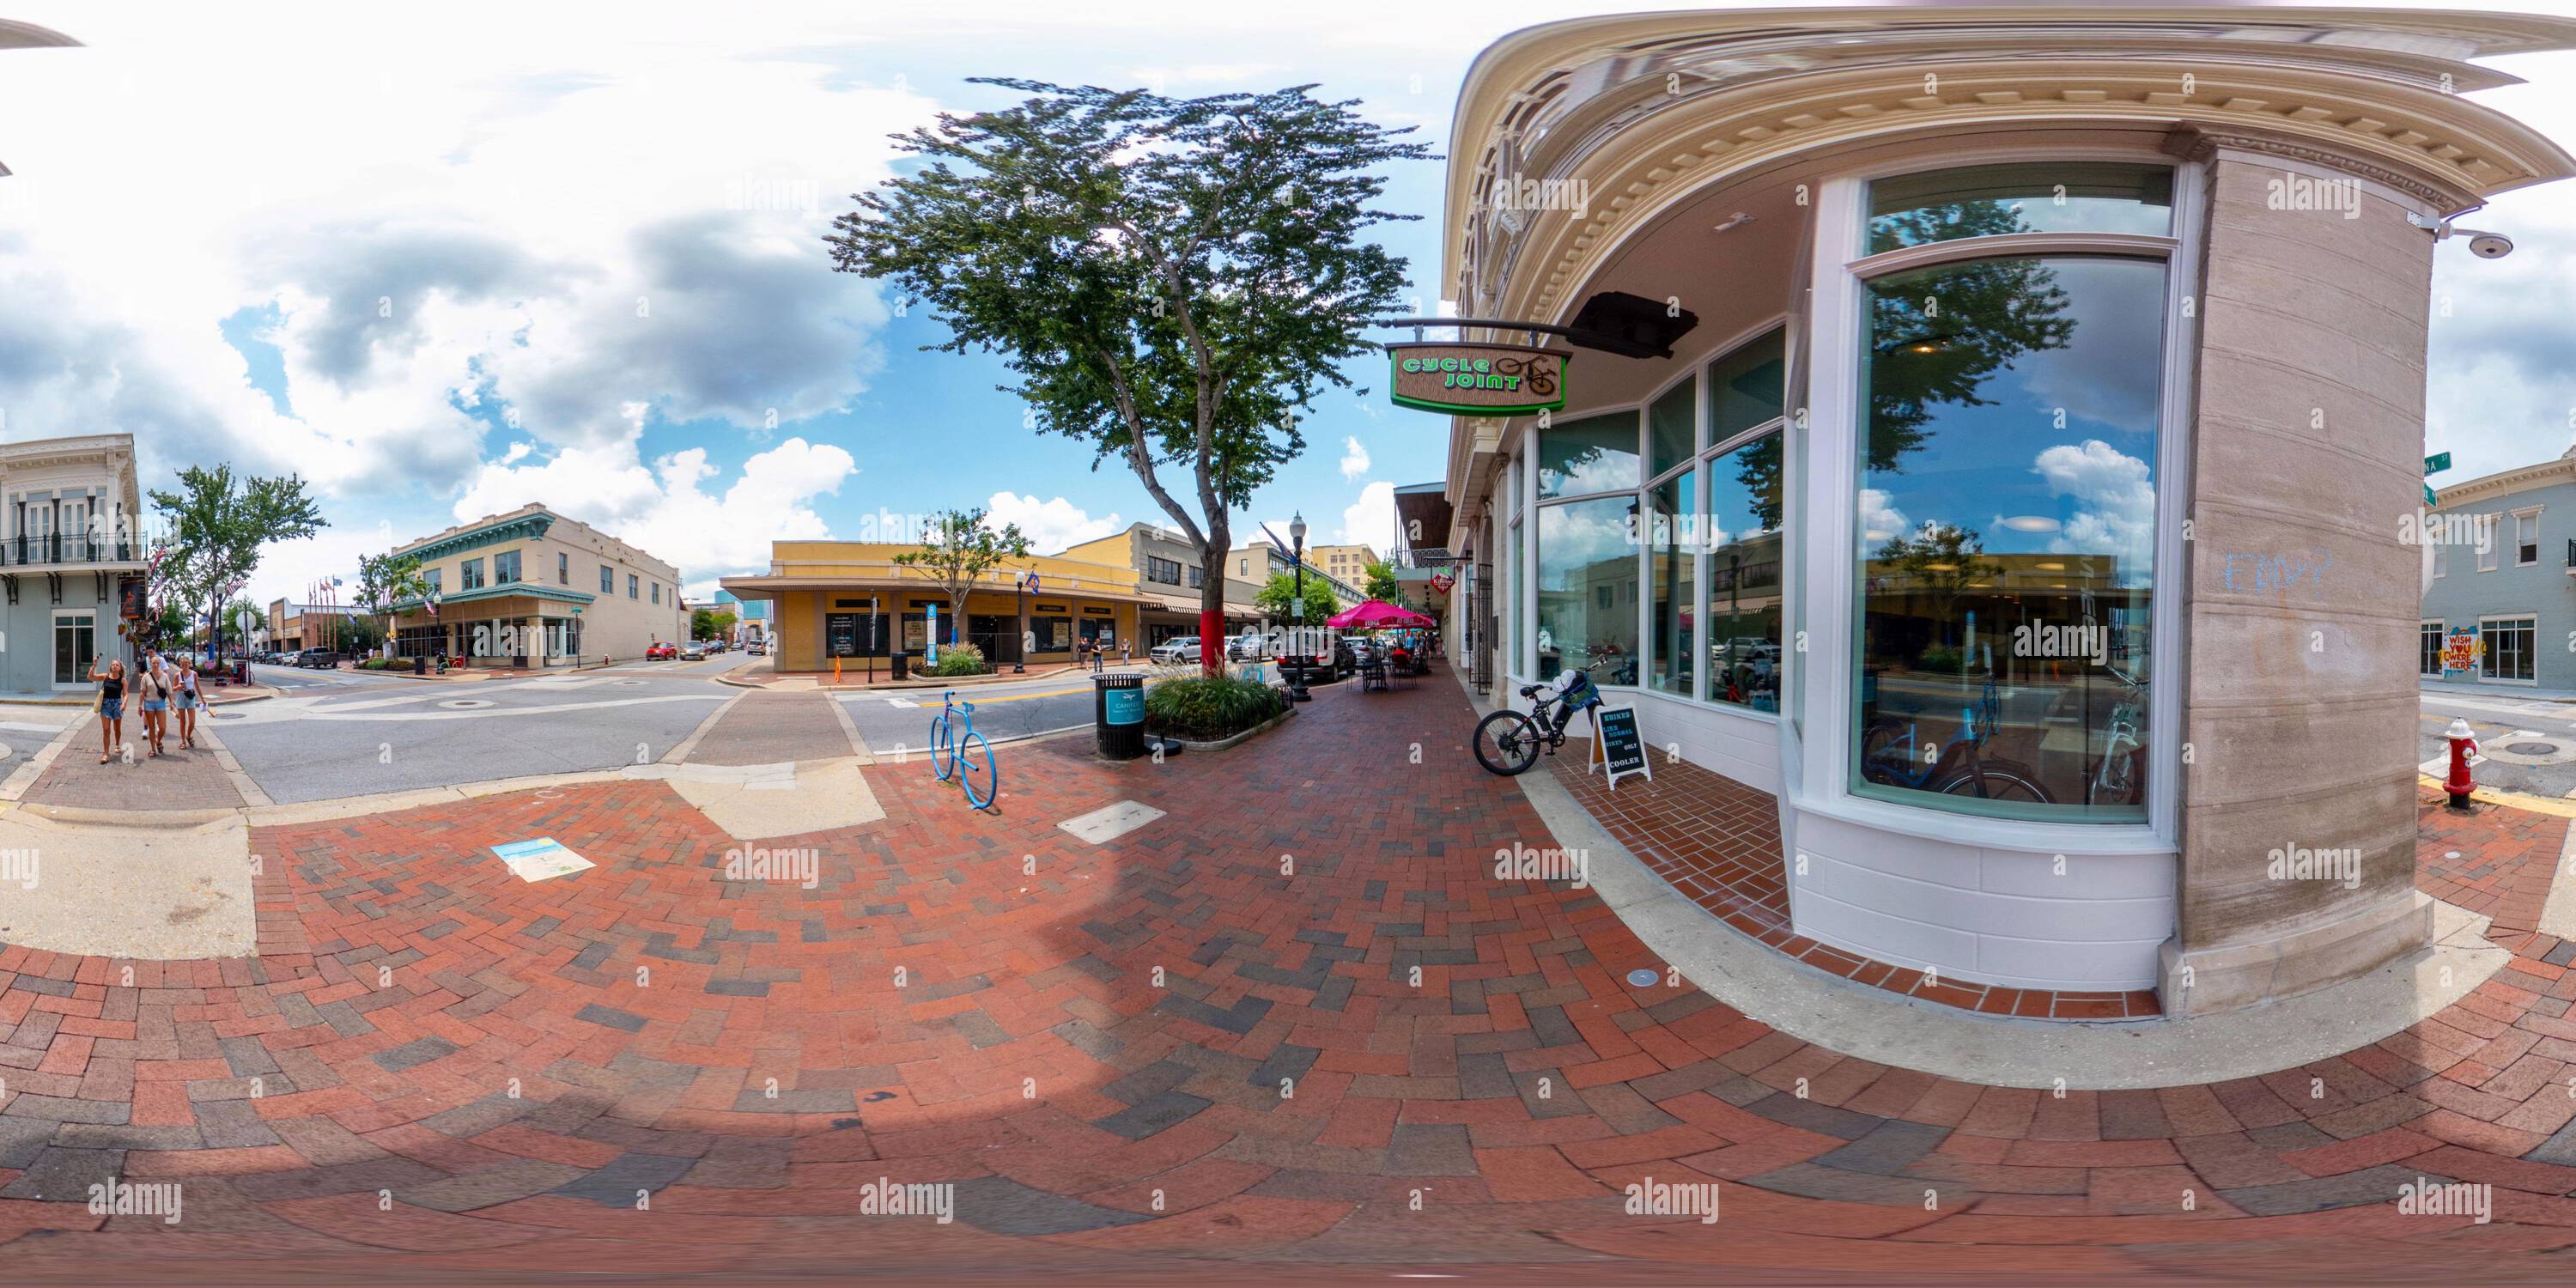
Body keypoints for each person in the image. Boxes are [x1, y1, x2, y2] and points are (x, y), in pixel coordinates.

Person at [89, 656, 125, 764]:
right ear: (110, 667)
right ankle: (106, 754)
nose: (115, 666)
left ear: (120, 668)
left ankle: (117, 744)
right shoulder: (105, 677)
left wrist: (124, 703)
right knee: (106, 730)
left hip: (117, 705)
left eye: (117, 665)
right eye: (113, 665)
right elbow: (91, 677)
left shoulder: (122, 680)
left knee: (117, 729)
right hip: (106, 705)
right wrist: (94, 665)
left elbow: (126, 694)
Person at [138, 651, 172, 756]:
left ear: (160, 664)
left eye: (157, 663)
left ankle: (158, 740)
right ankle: (153, 749)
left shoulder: (165, 676)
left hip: (161, 703)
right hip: (149, 704)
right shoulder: (146, 677)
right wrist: (140, 705)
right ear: (151, 664)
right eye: (154, 663)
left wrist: (172, 703)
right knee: (151, 728)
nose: (156, 665)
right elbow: (142, 692)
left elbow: (169, 691)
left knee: (162, 728)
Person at [174, 654, 201, 750]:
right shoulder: (177, 675)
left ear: (190, 664)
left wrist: (202, 698)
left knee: (192, 722)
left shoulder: (194, 674)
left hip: (190, 697)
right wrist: (178, 687)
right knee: (182, 721)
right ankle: (183, 741)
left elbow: (197, 686)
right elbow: (173, 688)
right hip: (181, 696)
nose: (185, 665)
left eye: (187, 664)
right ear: (180, 664)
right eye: (182, 664)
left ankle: (188, 735)